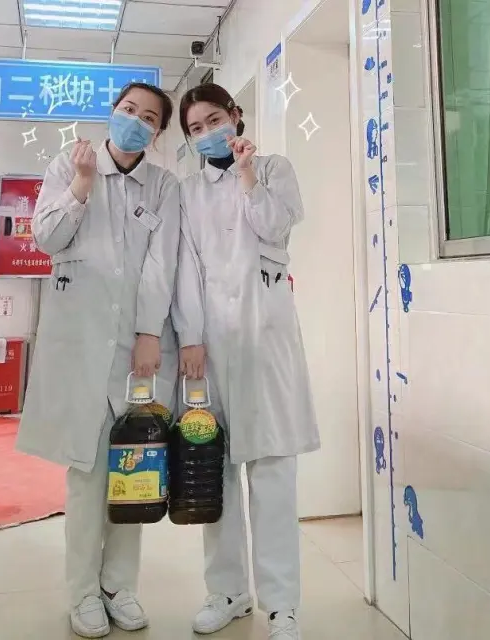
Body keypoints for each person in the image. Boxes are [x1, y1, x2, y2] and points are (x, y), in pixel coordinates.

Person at [16, 82, 180, 638]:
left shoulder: (163, 186)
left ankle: (119, 586)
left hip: (137, 350)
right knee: (87, 476)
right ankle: (84, 592)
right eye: (128, 110)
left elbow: (160, 264)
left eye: (149, 117)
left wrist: (149, 332)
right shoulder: (69, 165)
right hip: (80, 345)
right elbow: (46, 238)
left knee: (136, 466)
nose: (136, 121)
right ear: (113, 112)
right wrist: (82, 187)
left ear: (157, 133)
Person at [173, 83, 320, 640]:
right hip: (210, 348)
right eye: (195, 128)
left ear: (236, 116)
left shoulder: (275, 169)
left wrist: (247, 173)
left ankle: (282, 606)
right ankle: (228, 591)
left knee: (273, 473)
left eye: (214, 120)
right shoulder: (188, 192)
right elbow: (186, 267)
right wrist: (190, 337)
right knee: (214, 471)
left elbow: (275, 226)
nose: (207, 132)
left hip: (266, 342)